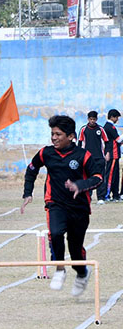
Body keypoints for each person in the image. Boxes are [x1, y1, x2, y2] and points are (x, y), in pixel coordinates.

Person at [21, 115, 101, 296]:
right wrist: (27, 193)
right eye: (52, 134)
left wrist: (80, 185)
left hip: (79, 208)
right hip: (55, 204)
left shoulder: (83, 156)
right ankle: (59, 269)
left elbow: (98, 177)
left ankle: (82, 273)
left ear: (71, 136)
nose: (54, 138)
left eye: (58, 134)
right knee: (55, 234)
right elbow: (32, 169)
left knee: (75, 248)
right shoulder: (46, 153)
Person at [78, 110, 109, 203]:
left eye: (94, 119)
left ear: (96, 119)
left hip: (99, 157)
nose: (92, 121)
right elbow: (79, 143)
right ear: (88, 119)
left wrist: (107, 153)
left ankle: (101, 197)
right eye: (91, 119)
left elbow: (107, 141)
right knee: (88, 178)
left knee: (101, 177)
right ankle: (88, 197)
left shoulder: (101, 129)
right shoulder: (83, 129)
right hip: (88, 158)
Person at [102, 109, 122, 202]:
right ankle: (106, 194)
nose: (117, 119)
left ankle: (115, 194)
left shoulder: (109, 126)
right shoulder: (110, 127)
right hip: (112, 154)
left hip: (116, 154)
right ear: (112, 117)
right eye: (116, 117)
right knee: (110, 175)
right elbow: (118, 139)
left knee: (116, 175)